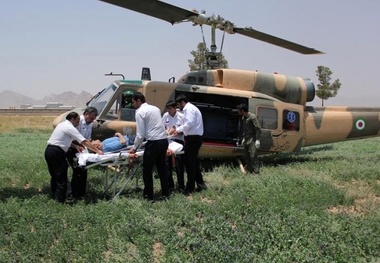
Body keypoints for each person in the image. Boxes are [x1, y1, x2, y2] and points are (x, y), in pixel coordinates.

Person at [44, 112, 103, 203]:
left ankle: (54, 196)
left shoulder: (62, 125)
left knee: (55, 176)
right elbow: (84, 141)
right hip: (57, 153)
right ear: (72, 119)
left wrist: (76, 147)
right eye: (77, 120)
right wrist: (97, 151)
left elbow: (64, 141)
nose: (78, 123)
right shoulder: (70, 127)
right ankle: (60, 200)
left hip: (49, 151)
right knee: (61, 177)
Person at [128, 92, 170, 202]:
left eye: (133, 102)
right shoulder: (155, 108)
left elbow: (140, 134)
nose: (133, 105)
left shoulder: (140, 112)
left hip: (154, 142)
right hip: (163, 141)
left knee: (147, 170)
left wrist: (134, 147)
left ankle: (149, 197)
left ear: (138, 101)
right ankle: (166, 194)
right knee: (161, 169)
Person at [173, 94, 207, 194]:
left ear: (182, 102)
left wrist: (178, 130)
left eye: (178, 105)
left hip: (193, 139)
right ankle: (200, 184)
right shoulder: (191, 108)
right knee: (194, 163)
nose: (179, 107)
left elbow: (189, 123)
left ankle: (190, 188)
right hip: (194, 138)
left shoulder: (188, 109)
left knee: (190, 164)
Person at [66, 107, 98, 199]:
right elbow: (75, 137)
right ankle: (73, 193)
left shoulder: (90, 124)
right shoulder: (78, 121)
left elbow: (87, 138)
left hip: (82, 148)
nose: (93, 120)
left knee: (84, 170)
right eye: (91, 118)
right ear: (86, 114)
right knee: (77, 171)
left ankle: (81, 193)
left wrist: (92, 144)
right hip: (73, 147)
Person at [161, 100, 185, 192]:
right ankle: (170, 185)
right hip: (169, 141)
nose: (168, 110)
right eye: (167, 108)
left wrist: (176, 131)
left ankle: (181, 186)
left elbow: (185, 129)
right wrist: (167, 132)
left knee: (179, 165)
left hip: (179, 141)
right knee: (167, 164)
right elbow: (162, 128)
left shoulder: (181, 116)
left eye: (170, 108)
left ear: (175, 108)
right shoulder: (165, 116)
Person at [237, 103, 262, 174]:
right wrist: (244, 138)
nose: (238, 112)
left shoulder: (252, 117)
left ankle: (256, 172)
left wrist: (257, 139)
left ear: (242, 110)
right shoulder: (244, 118)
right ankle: (250, 170)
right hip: (246, 138)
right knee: (246, 155)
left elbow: (258, 129)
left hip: (252, 138)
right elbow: (245, 129)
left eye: (239, 110)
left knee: (253, 155)